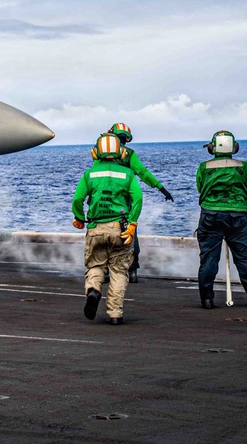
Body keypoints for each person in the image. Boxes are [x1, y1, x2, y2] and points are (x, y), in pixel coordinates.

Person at [72, 133, 142, 325]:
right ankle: (115, 314)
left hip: (96, 228)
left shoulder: (89, 174)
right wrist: (133, 222)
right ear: (120, 152)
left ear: (96, 152)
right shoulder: (127, 174)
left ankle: (94, 290)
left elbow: (77, 199)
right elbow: (138, 199)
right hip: (121, 229)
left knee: (95, 265)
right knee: (119, 271)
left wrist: (79, 218)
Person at [196, 130, 247, 309]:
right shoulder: (243, 167)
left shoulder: (204, 167)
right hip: (238, 215)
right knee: (243, 258)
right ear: (234, 147)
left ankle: (207, 299)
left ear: (212, 148)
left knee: (209, 259)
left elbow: (200, 186)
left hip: (211, 215)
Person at [108, 122, 173, 283]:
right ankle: (133, 271)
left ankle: (106, 271)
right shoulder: (129, 154)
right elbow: (143, 173)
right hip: (125, 203)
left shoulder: (102, 155)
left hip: (105, 202)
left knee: (105, 237)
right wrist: (161, 188)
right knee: (130, 232)